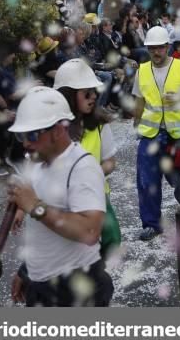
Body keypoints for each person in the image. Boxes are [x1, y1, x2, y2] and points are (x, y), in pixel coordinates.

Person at [7, 87, 113, 307]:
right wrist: (26, 273)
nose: (25, 143)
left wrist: (35, 207)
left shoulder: (82, 167)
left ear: (57, 130)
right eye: (21, 136)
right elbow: (42, 233)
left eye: (32, 135)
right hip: (42, 286)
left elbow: (90, 231)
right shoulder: (37, 166)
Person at [132, 26, 180, 241]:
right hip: (150, 134)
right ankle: (151, 223)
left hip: (178, 135)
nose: (156, 53)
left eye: (160, 48)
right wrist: (136, 125)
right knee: (146, 180)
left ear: (167, 47)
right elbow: (139, 100)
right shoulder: (142, 71)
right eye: (152, 49)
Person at [54, 59, 121, 259]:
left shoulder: (99, 123)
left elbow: (111, 161)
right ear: (68, 95)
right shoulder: (51, 128)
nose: (93, 98)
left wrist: (93, 173)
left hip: (96, 199)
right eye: (86, 93)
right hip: (61, 204)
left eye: (94, 92)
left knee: (110, 242)